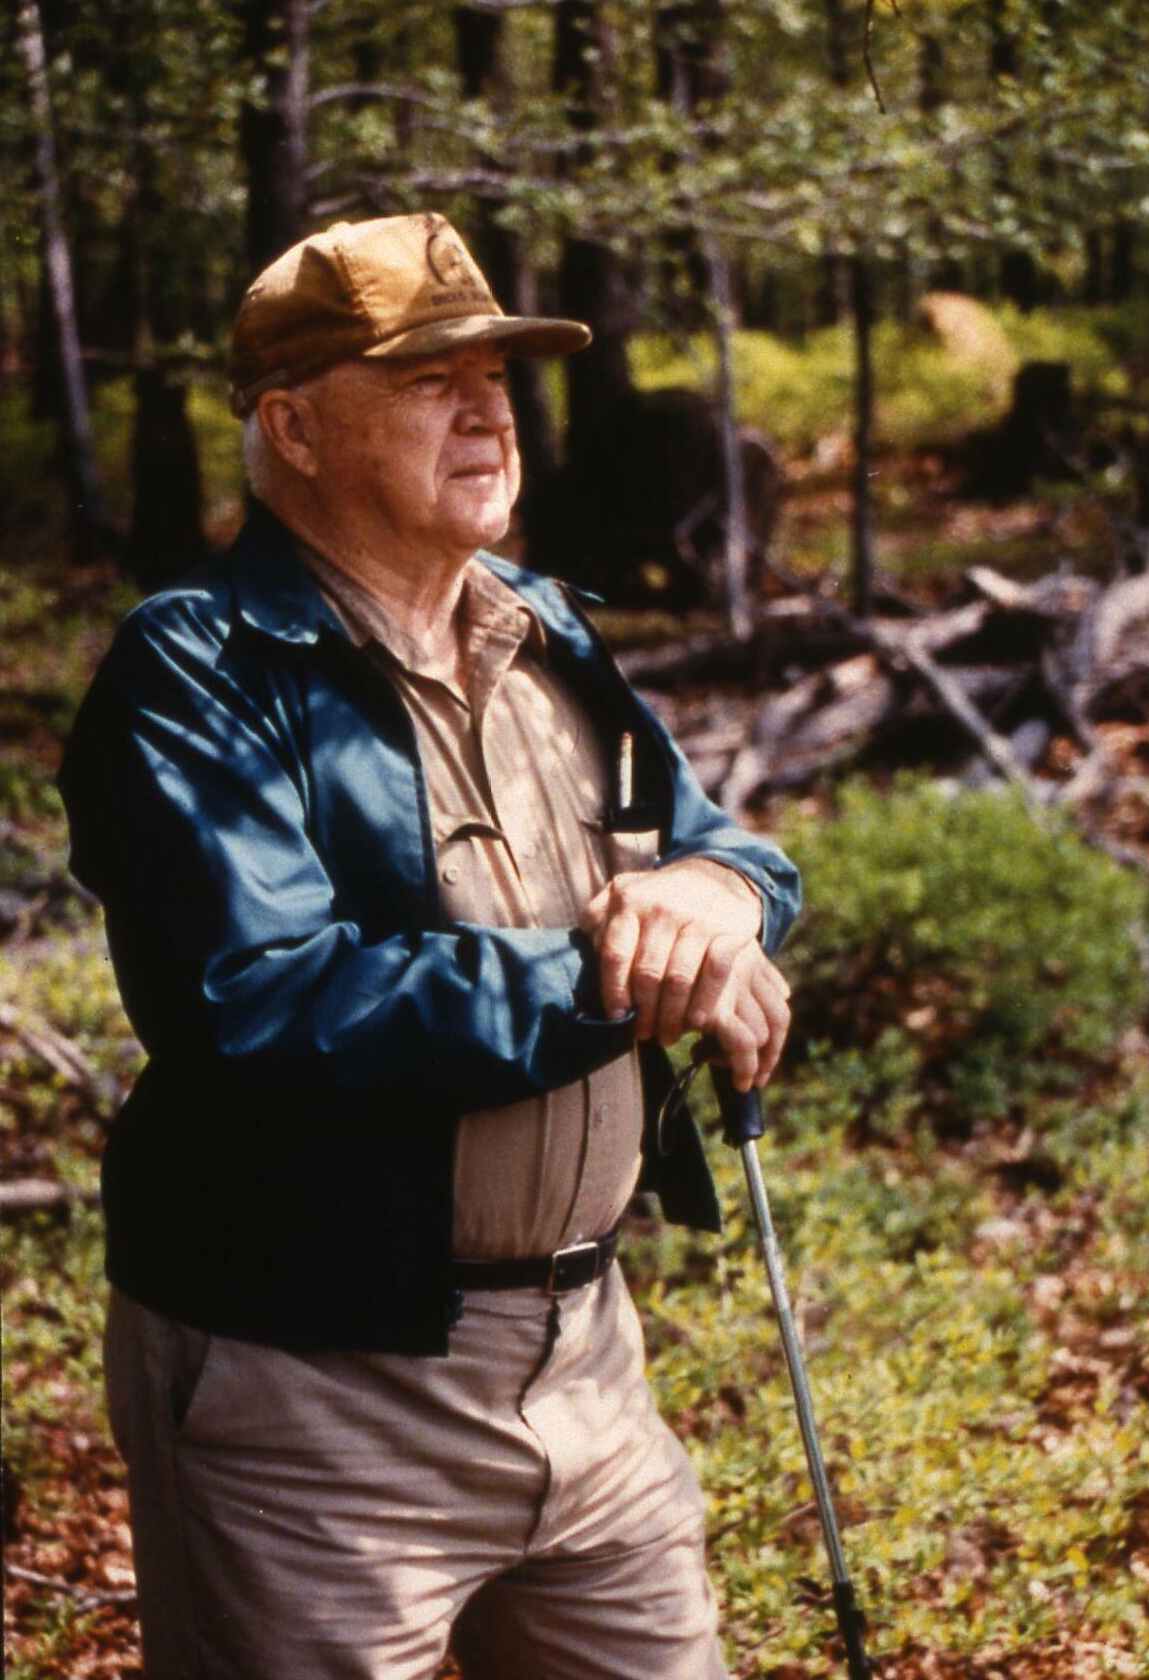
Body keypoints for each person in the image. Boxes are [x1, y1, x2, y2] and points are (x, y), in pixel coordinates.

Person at [59, 213, 802, 1680]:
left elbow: (720, 845)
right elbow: (264, 1006)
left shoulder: (539, 629)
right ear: (293, 427)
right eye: (425, 377)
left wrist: (716, 909)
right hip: (310, 1392)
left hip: (588, 1362)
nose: (486, 408)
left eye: (498, 374)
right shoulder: (197, 667)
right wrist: (612, 974)